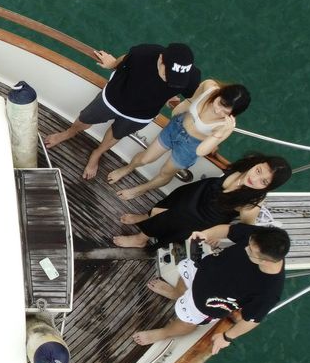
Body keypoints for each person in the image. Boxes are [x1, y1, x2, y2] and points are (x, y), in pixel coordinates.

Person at [43, 42, 198, 180]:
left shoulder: (191, 78)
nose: (170, 81)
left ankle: (97, 153)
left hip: (141, 115)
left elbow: (194, 97)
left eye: (177, 79)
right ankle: (69, 132)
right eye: (169, 75)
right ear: (161, 59)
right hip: (112, 99)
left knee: (117, 134)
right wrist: (112, 64)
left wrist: (173, 99)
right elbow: (125, 60)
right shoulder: (143, 54)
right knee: (85, 119)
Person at [133, 224, 290, 355]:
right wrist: (205, 234)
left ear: (266, 261)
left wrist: (226, 337)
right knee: (185, 273)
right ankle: (176, 293)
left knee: (187, 321)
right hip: (202, 270)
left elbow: (252, 320)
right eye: (248, 244)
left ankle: (164, 333)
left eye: (250, 251)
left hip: (206, 305)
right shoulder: (258, 238)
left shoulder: (269, 291)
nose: (246, 248)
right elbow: (229, 230)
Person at [106, 79, 251, 201]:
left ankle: (141, 189)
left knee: (165, 173)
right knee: (144, 158)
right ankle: (127, 168)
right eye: (220, 103)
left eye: (226, 112)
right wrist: (182, 106)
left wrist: (220, 134)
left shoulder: (225, 127)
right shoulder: (209, 86)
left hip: (191, 146)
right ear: (219, 93)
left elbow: (201, 151)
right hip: (176, 127)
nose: (218, 111)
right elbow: (192, 100)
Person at [112, 153, 292, 249]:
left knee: (169, 218)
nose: (255, 178)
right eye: (259, 170)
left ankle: (140, 238)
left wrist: (215, 236)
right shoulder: (248, 163)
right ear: (257, 163)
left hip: (202, 215)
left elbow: (244, 228)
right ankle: (145, 216)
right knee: (168, 202)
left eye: (264, 181)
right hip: (199, 191)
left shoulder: (251, 204)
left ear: (268, 187)